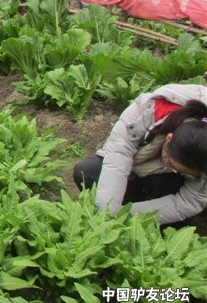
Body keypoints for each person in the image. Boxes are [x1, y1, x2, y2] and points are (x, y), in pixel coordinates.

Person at [72, 84, 207, 226]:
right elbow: (119, 155)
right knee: (87, 172)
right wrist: (107, 212)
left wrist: (128, 215)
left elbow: (188, 201)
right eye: (171, 164)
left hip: (164, 182)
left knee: (172, 214)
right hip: (137, 166)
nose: (174, 169)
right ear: (169, 138)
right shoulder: (150, 110)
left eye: (185, 172)